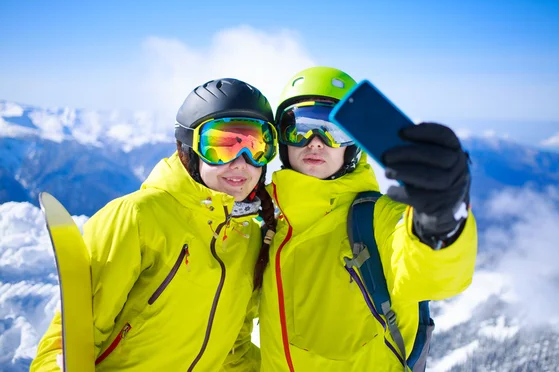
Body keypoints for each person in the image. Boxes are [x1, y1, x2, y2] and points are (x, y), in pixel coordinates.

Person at [31, 78, 278, 371]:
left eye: (256, 146)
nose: (241, 162)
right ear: (189, 149)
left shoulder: (249, 237)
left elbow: (232, 349)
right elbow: (67, 341)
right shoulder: (136, 218)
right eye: (222, 146)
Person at [254, 67, 478, 371]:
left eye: (332, 129)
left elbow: (430, 274)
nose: (315, 142)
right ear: (281, 139)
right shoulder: (265, 219)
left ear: (353, 146)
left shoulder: (375, 218)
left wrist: (439, 223)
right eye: (300, 127)